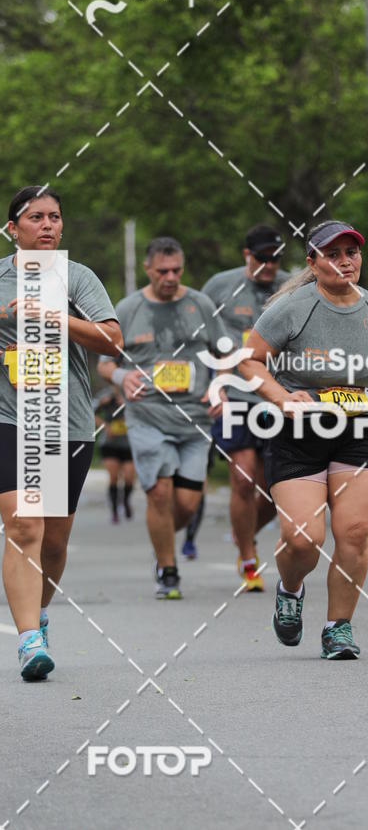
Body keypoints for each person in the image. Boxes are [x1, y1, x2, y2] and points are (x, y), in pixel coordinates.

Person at [240, 220, 368, 659]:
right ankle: (290, 589)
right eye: (333, 254)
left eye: (352, 253)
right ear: (313, 262)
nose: (345, 261)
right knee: (304, 538)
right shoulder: (292, 307)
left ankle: (338, 627)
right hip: (299, 432)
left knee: (356, 533)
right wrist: (283, 399)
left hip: (358, 431)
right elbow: (250, 363)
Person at [0, 186, 122, 680]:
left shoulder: (78, 278)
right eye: (36, 218)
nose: (48, 225)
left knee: (52, 538)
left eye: (55, 217)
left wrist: (52, 315)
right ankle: (29, 640)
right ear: (13, 229)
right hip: (9, 417)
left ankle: (40, 613)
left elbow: (112, 341)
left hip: (64, 419)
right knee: (23, 525)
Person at [98, 237, 226, 600]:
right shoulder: (127, 308)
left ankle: (163, 541)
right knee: (158, 492)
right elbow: (106, 363)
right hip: (147, 416)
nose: (171, 277)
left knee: (186, 504)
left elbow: (226, 354)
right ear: (148, 269)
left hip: (195, 420)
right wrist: (124, 377)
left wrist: (220, 387)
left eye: (177, 270)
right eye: (163, 271)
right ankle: (168, 570)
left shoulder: (200, 304)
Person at [201, 226, 289, 591]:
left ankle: (244, 536)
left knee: (274, 488)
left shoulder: (293, 286)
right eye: (261, 258)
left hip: (279, 397)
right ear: (246, 255)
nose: (269, 265)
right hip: (235, 395)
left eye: (275, 258)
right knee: (242, 477)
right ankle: (249, 558)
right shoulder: (218, 288)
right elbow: (200, 338)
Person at [94, 386, 135, 523]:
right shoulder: (105, 395)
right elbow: (88, 411)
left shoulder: (133, 391)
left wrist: (128, 403)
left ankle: (126, 501)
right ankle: (114, 511)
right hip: (109, 443)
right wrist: (105, 426)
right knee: (114, 477)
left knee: (129, 478)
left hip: (129, 443)